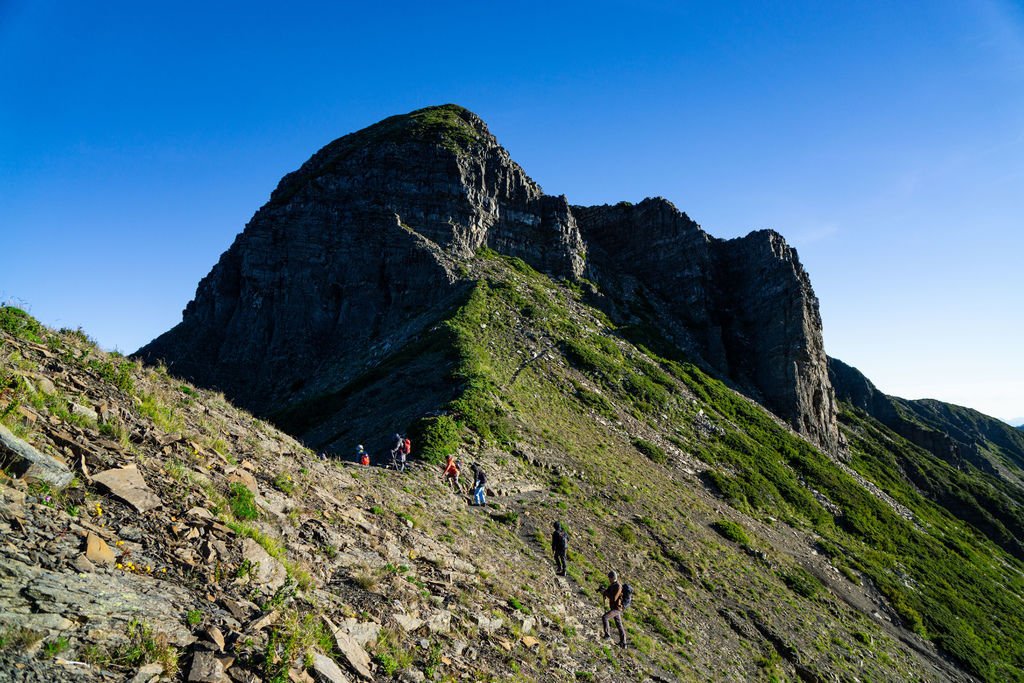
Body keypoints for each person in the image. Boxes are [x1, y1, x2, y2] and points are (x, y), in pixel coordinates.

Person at [602, 570, 627, 649]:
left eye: (610, 578)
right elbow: (608, 593)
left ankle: (607, 635)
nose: (609, 579)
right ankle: (623, 643)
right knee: (619, 624)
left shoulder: (618, 586)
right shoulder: (612, 585)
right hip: (614, 607)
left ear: (613, 578)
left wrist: (606, 593)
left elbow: (614, 598)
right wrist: (604, 592)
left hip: (617, 608)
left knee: (605, 617)